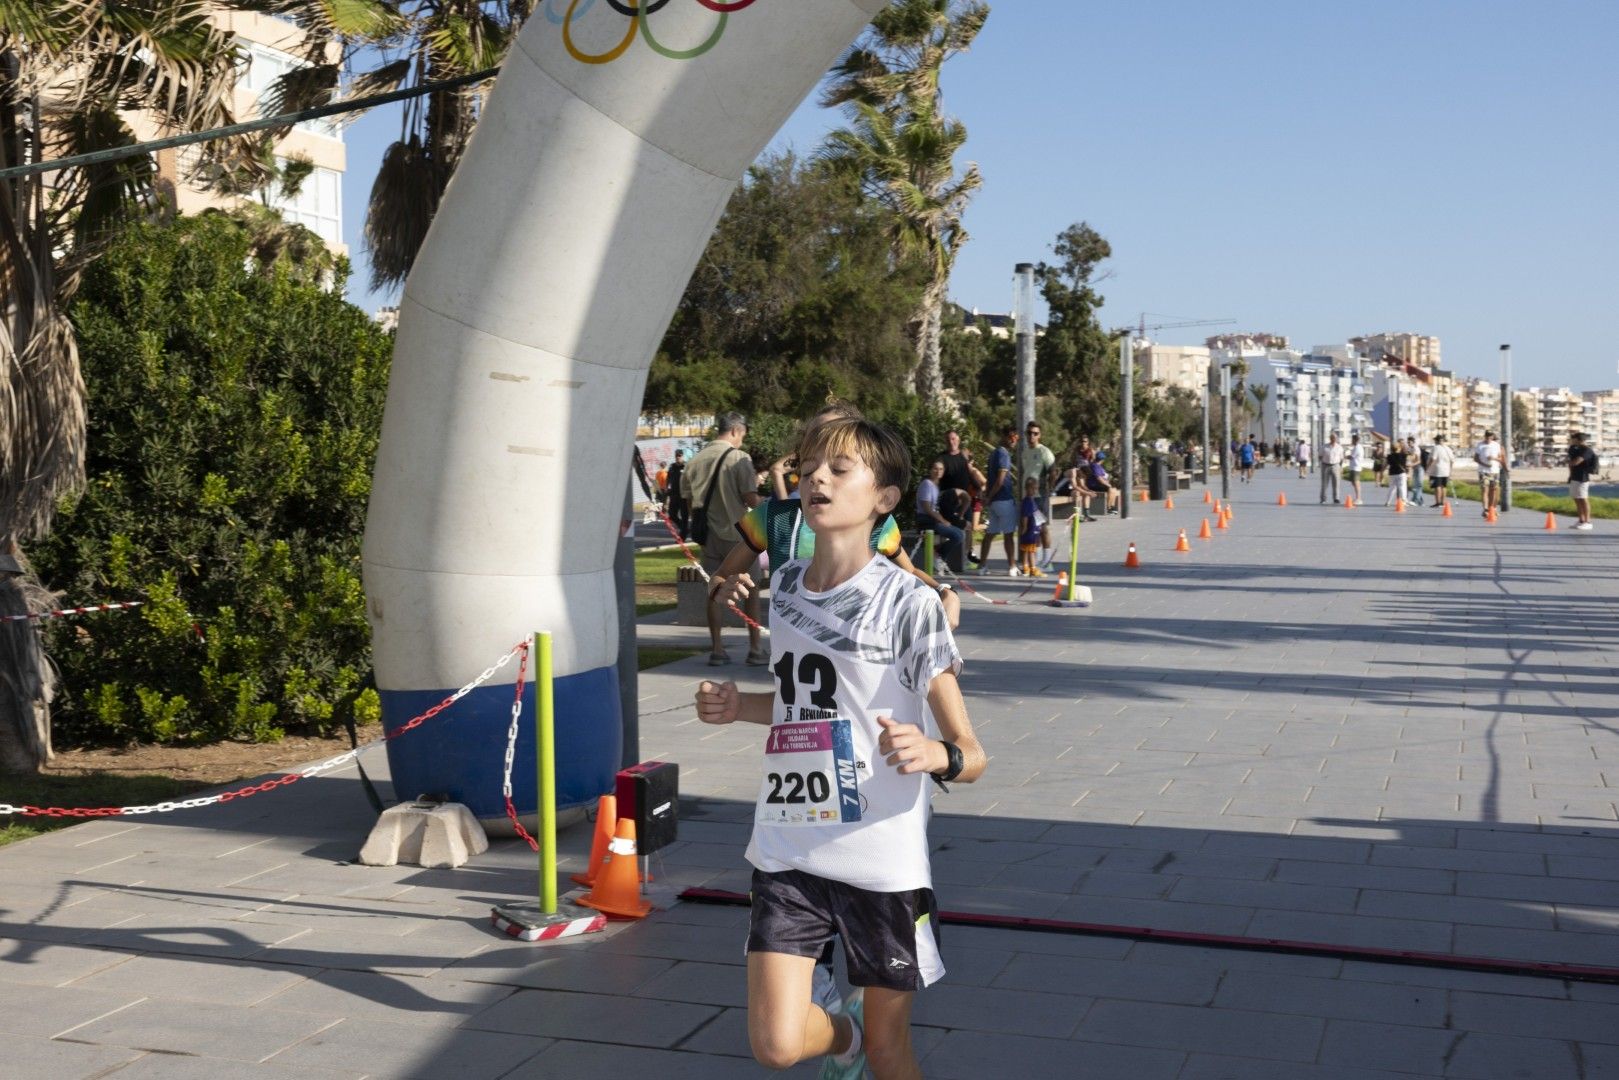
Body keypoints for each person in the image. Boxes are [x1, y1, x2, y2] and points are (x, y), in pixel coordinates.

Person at [693, 415, 986, 1080]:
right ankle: (842, 1038)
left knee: (890, 1052)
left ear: (883, 499)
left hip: (879, 857)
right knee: (774, 1045)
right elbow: (804, 707)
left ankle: (861, 1041)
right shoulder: (788, 585)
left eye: (838, 468)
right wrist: (740, 707)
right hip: (788, 842)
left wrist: (937, 754)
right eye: (809, 466)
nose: (815, 477)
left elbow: (971, 750)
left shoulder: (908, 603)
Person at [681, 412, 765, 666]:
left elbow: (688, 501)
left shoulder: (695, 460)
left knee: (714, 590)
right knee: (751, 590)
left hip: (709, 534)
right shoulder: (739, 458)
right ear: (736, 431)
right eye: (742, 435)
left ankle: (717, 649)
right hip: (738, 535)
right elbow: (750, 499)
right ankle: (756, 648)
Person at [975, 425, 1020, 575]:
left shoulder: (994, 453)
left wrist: (988, 497)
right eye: (1012, 437)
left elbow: (990, 479)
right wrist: (989, 496)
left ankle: (982, 566)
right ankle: (1012, 567)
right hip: (1004, 500)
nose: (1014, 440)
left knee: (990, 534)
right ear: (1006, 437)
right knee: (1008, 535)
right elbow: (1000, 480)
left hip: (994, 503)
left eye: (1016, 437)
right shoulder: (1004, 454)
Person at [915, 459, 967, 574]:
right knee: (958, 535)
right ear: (930, 470)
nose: (938, 471)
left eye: (941, 469)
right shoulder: (926, 485)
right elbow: (927, 508)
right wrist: (943, 521)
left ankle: (938, 557)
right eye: (935, 468)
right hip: (925, 520)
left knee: (960, 532)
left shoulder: (935, 486)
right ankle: (939, 557)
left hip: (933, 519)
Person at [1019, 421, 1057, 566]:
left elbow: (1053, 470)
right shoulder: (1025, 452)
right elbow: (1025, 472)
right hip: (1026, 497)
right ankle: (1035, 561)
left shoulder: (1044, 451)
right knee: (1030, 529)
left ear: (1039, 435)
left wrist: (1050, 487)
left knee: (1042, 527)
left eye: (1035, 433)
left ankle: (1047, 561)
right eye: (1029, 433)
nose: (1031, 436)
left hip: (1039, 496)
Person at [1567, 431, 1597, 531]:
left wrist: (1570, 462)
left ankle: (1587, 522)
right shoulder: (1574, 449)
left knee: (1583, 499)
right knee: (1576, 498)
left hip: (1583, 478)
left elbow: (1576, 462)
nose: (1571, 440)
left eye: (1573, 438)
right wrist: (1570, 475)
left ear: (1579, 440)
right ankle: (1581, 520)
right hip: (1574, 477)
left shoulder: (1586, 450)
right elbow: (1571, 463)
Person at [1018, 476, 1045, 578]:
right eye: (1032, 488)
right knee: (1031, 551)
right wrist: (1024, 527)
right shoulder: (1028, 501)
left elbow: (1036, 515)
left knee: (1025, 550)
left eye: (1036, 488)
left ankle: (1026, 568)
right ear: (1027, 488)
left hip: (1032, 530)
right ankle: (1033, 568)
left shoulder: (1030, 501)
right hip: (1030, 531)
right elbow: (1025, 516)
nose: (1034, 491)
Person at [1474, 430, 1505, 518]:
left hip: (1495, 471)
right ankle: (1485, 509)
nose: (1488, 438)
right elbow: (1476, 458)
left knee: (1493, 490)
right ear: (1485, 436)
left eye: (1490, 436)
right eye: (1487, 436)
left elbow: (1500, 458)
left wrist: (1493, 458)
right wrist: (1484, 464)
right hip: (1483, 471)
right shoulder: (1480, 445)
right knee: (1484, 489)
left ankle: (1492, 508)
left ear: (1492, 436)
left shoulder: (1496, 445)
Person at [666, 449, 689, 538]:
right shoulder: (672, 467)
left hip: (684, 495)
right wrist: (667, 488)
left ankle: (683, 535)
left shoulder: (686, 466)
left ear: (682, 456)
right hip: (674, 495)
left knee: (684, 517)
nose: (678, 457)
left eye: (679, 456)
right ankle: (685, 529)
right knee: (672, 515)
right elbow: (668, 478)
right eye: (676, 456)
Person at [1428, 435, 1454, 509]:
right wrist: (1450, 471)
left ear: (1436, 440)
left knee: (1437, 486)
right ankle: (1443, 502)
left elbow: (1433, 458)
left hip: (1437, 470)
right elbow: (1452, 461)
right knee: (1444, 486)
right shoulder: (1448, 449)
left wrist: (1428, 467)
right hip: (1446, 470)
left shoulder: (1436, 448)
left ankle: (1438, 502)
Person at [1320, 433, 1343, 504]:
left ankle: (1336, 498)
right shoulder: (1324, 446)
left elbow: (1341, 458)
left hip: (1335, 465)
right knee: (1324, 483)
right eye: (1332, 438)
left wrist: (1340, 467)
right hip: (1325, 465)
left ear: (1336, 439)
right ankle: (1323, 498)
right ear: (1330, 438)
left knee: (1336, 482)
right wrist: (1323, 462)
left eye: (1335, 438)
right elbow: (1320, 456)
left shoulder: (1339, 447)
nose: (1333, 439)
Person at [1384, 439, 1408, 507]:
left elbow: (1386, 464)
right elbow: (1406, 464)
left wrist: (1382, 471)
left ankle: (1388, 502)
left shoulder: (1389, 456)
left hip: (1392, 473)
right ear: (1399, 448)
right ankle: (1404, 501)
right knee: (1402, 487)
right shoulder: (1403, 455)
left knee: (1392, 488)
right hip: (1401, 473)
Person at [1347, 434, 1366, 504]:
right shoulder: (1355, 447)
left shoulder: (1358, 447)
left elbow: (1351, 457)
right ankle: (1357, 497)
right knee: (1353, 482)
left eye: (1352, 439)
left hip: (1356, 467)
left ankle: (1359, 498)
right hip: (1353, 467)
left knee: (1356, 482)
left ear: (1355, 440)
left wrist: (1345, 456)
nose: (1351, 441)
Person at [1408, 437, 1427, 507]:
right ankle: (1421, 502)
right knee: (1415, 485)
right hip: (1414, 468)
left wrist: (1411, 465)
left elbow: (1419, 461)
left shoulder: (1416, 448)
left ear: (1413, 442)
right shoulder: (1409, 449)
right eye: (1408, 442)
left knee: (1419, 484)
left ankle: (1415, 500)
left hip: (1420, 468)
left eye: (1410, 442)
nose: (1409, 444)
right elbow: (1410, 459)